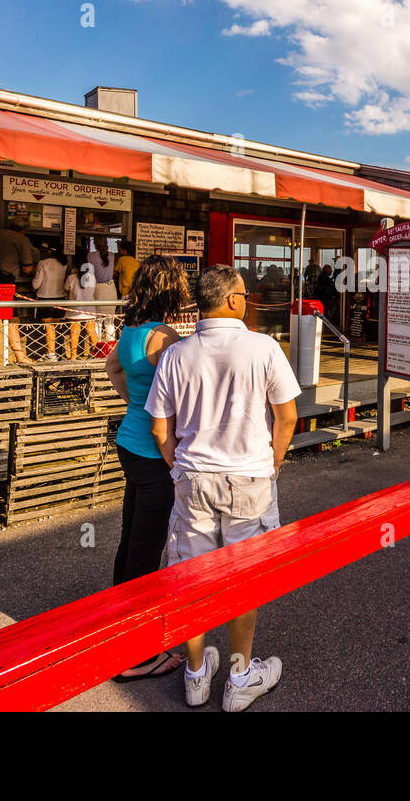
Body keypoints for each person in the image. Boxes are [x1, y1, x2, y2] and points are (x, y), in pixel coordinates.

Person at [145, 265, 299, 712]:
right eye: (244, 293)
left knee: (189, 578)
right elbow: (287, 417)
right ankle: (239, 675)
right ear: (233, 301)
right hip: (249, 478)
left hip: (193, 478)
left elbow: (160, 430)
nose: (247, 299)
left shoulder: (177, 354)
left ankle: (195, 675)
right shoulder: (264, 347)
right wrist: (270, 465)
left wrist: (179, 469)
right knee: (243, 580)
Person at [104, 255, 192, 681]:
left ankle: (114, 623)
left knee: (131, 537)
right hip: (156, 451)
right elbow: (183, 395)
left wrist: (134, 403)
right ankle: (135, 655)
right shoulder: (165, 336)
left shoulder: (130, 332)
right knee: (147, 545)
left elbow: (113, 370)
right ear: (170, 289)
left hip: (129, 442)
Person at [0, 216, 36, 365]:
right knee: (12, 318)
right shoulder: (21, 239)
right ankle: (20, 357)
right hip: (4, 280)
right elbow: (27, 268)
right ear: (24, 230)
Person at [30, 242, 67, 361]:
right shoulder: (64, 264)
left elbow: (36, 284)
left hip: (45, 298)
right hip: (60, 298)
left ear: (49, 251)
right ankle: (59, 352)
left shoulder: (42, 263)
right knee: (56, 327)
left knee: (49, 327)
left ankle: (51, 354)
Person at [64, 258, 99, 359]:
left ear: (75, 268)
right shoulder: (92, 278)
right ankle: (97, 354)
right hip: (89, 310)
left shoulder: (71, 278)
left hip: (75, 310)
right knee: (91, 331)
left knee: (74, 332)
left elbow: (66, 289)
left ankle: (73, 357)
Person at [87, 236, 119, 340]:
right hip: (110, 288)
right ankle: (110, 349)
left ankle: (97, 348)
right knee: (110, 322)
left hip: (97, 288)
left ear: (95, 244)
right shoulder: (112, 255)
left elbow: (89, 274)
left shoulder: (91, 256)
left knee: (97, 321)